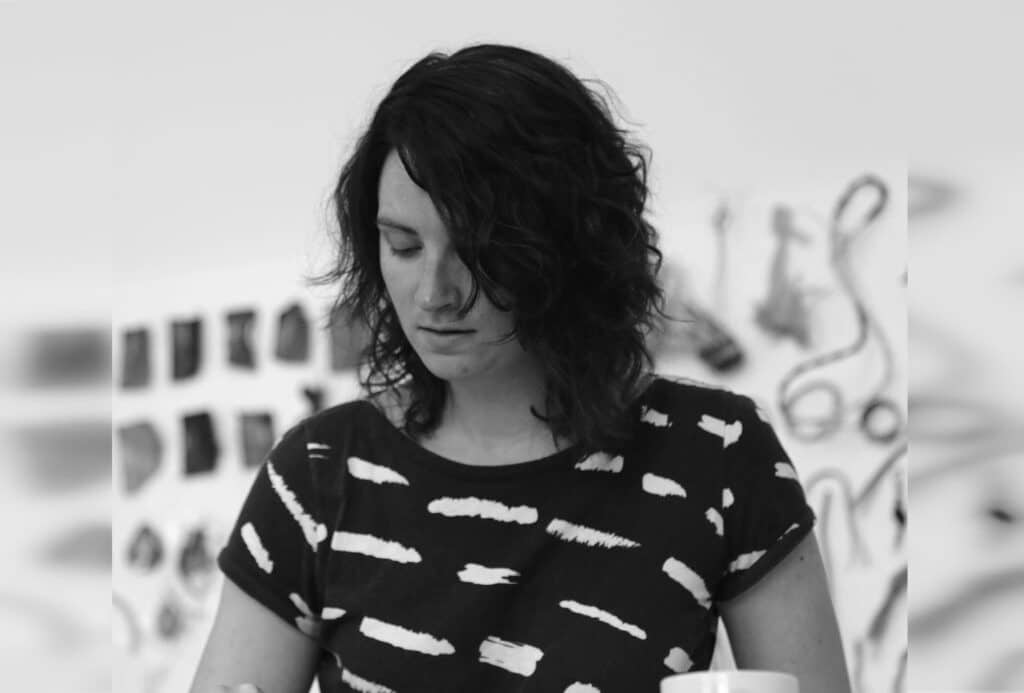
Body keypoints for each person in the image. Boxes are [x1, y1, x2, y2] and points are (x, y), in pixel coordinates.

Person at [190, 43, 851, 693]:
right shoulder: (321, 472)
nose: (433, 293)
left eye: (478, 250)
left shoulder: (717, 452)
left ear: (570, 242)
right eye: (403, 244)